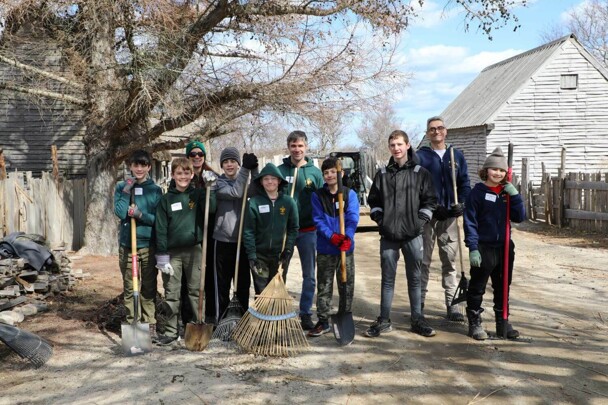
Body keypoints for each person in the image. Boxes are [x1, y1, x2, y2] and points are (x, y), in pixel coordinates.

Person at [366, 130, 438, 338]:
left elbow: (430, 201)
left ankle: (417, 320)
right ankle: (384, 320)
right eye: (392, 145)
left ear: (407, 145)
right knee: (387, 280)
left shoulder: (420, 173)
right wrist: (380, 219)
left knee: (414, 278)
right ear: (389, 148)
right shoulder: (382, 174)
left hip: (413, 235)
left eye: (399, 144)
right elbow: (374, 202)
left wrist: (419, 222)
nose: (396, 148)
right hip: (388, 236)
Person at [463, 147, 526, 340]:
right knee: (477, 286)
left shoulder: (507, 193)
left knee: (503, 285)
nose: (497, 173)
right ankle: (474, 322)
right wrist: (473, 248)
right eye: (494, 170)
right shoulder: (477, 193)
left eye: (501, 171)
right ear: (486, 171)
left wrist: (515, 196)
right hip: (484, 247)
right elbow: (470, 222)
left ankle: (503, 322)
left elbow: (519, 217)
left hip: (505, 247)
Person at [154, 157, 216, 345]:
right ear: (173, 175)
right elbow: (161, 229)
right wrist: (162, 257)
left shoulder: (197, 195)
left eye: (186, 173)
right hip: (172, 254)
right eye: (179, 173)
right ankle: (172, 331)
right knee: (171, 292)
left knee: (196, 291)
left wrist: (210, 189)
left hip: (195, 251)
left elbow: (211, 209)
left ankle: (196, 325)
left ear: (192, 175)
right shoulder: (166, 199)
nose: (183, 176)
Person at [417, 116, 471, 322]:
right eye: (432, 129)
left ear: (446, 131)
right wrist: (431, 206)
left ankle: (453, 305)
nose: (436, 132)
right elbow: (416, 186)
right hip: (428, 216)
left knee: (449, 261)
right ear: (427, 133)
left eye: (439, 128)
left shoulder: (456, 155)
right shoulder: (421, 157)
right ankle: (419, 304)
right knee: (423, 261)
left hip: (449, 217)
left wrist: (462, 204)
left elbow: (464, 183)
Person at [114, 150, 163, 340]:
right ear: (130, 166)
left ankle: (149, 323)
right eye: (136, 165)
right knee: (129, 287)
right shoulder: (122, 187)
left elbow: (158, 220)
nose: (139, 169)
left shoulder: (155, 190)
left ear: (149, 167)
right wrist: (127, 189)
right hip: (127, 246)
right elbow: (119, 212)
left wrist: (140, 215)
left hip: (147, 245)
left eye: (143, 165)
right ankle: (132, 321)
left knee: (148, 287)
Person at [308, 157, 359, 337]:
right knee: (324, 286)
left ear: (341, 174)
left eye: (333, 172)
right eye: (326, 173)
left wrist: (347, 237)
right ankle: (323, 320)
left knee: (346, 284)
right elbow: (318, 220)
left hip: (346, 249)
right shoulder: (318, 195)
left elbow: (353, 217)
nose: (329, 175)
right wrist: (332, 236)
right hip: (326, 249)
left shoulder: (349, 194)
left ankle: (344, 314)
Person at [277, 130, 324, 330]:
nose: (297, 149)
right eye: (293, 146)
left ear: (306, 147)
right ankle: (278, 312)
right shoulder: (280, 170)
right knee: (280, 271)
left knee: (309, 275)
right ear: (288, 147)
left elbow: (323, 199)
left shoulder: (314, 172)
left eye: (300, 146)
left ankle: (305, 313)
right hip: (285, 231)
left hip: (308, 229)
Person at [212, 147, 259, 319]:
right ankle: (221, 319)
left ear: (238, 164)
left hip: (243, 240)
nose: (229, 164)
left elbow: (256, 189)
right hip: (223, 240)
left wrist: (254, 169)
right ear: (222, 165)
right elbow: (236, 192)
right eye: (226, 162)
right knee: (222, 284)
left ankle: (241, 319)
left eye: (233, 161)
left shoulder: (245, 181)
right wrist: (246, 170)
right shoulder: (218, 184)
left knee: (243, 284)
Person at [243, 163, 299, 294]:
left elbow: (293, 228)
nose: (270, 182)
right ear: (261, 182)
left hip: (280, 255)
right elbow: (248, 231)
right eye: (266, 179)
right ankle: (261, 314)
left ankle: (276, 315)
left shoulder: (288, 202)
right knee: (262, 292)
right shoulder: (254, 203)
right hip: (259, 256)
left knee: (277, 291)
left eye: (273, 178)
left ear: (279, 181)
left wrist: (288, 249)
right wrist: (252, 255)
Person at [184, 140, 217, 326]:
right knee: (188, 279)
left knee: (209, 275)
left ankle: (210, 314)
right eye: (193, 154)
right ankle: (189, 316)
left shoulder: (211, 176)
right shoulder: (182, 177)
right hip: (189, 234)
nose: (197, 157)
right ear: (188, 157)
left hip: (209, 232)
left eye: (200, 154)